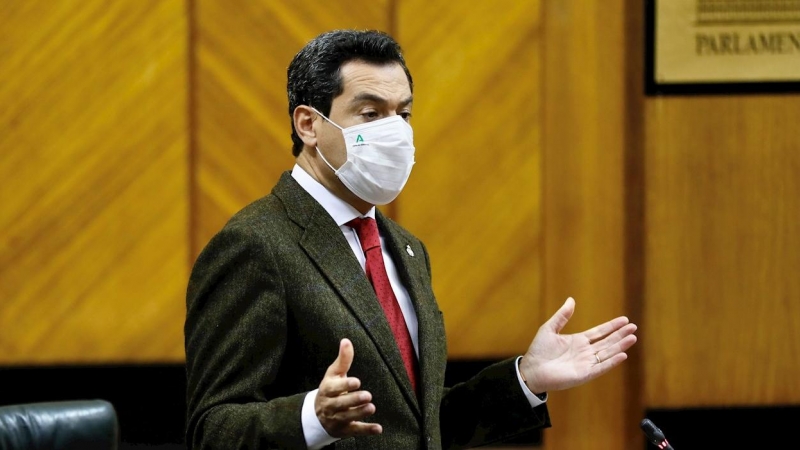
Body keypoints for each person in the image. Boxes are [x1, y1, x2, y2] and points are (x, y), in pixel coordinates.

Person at [184, 29, 637, 450]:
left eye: (402, 113)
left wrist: (525, 379)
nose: (395, 131)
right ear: (308, 125)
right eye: (370, 113)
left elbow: (419, 424)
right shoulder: (254, 245)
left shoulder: (405, 247)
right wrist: (311, 418)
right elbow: (213, 428)